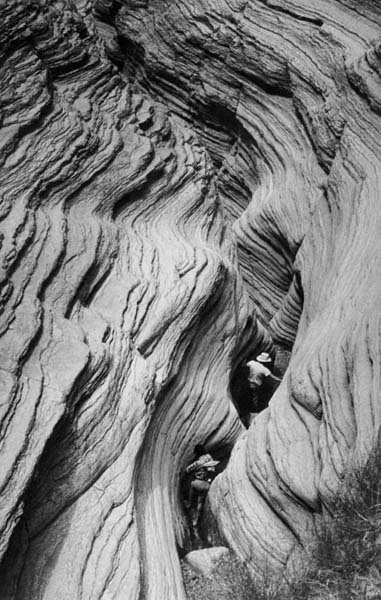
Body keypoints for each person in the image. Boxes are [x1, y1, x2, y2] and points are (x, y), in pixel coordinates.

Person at [184, 444, 219, 527]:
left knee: (192, 484)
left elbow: (187, 470)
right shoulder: (209, 457)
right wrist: (209, 480)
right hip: (207, 485)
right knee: (200, 501)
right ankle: (196, 520)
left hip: (198, 483)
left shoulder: (198, 462)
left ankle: (189, 503)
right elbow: (212, 470)